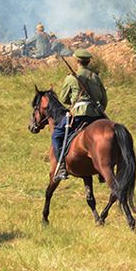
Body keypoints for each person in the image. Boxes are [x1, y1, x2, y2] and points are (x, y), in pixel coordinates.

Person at [53, 49, 107, 180]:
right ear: (88, 62)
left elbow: (63, 98)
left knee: (57, 135)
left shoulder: (71, 78)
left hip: (78, 115)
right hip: (96, 116)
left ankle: (61, 167)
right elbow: (103, 99)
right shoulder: (95, 77)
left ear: (77, 61)